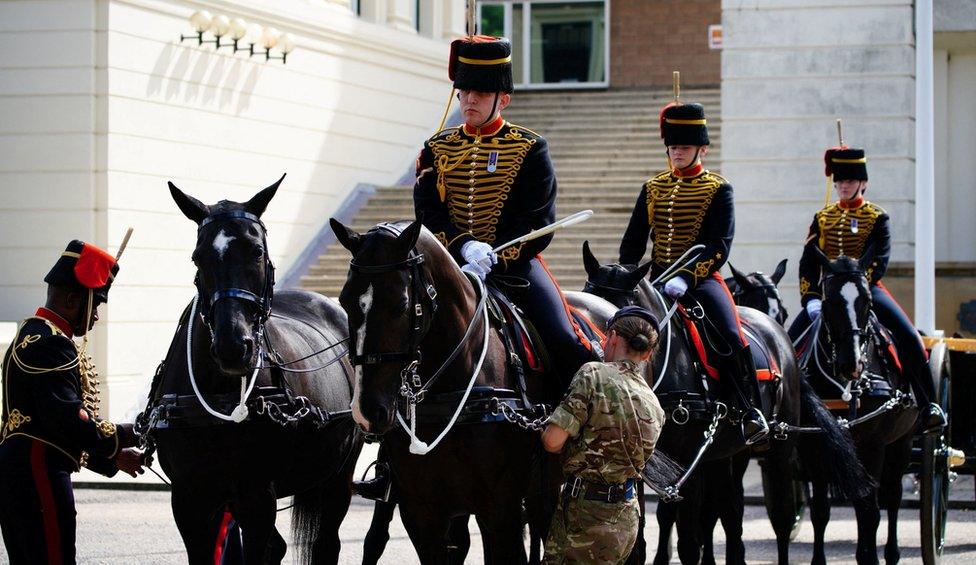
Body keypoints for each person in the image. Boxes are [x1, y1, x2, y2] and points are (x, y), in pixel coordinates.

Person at [354, 35, 598, 500]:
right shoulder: (435, 149)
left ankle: (575, 447)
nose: (469, 101)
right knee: (395, 339)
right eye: (464, 93)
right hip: (446, 268)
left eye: (480, 94)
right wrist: (462, 247)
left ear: (501, 98)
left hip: (514, 268)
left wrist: (498, 253)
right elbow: (426, 212)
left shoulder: (530, 148)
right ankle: (391, 459)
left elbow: (539, 223)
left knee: (566, 341)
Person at [618, 98, 769, 444]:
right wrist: (628, 276)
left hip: (700, 281)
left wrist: (686, 276)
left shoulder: (718, 188)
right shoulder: (653, 188)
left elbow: (719, 245)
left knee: (732, 334)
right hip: (655, 282)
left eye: (684, 147)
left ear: (702, 148)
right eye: (672, 147)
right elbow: (633, 244)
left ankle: (749, 409)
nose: (677, 153)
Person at [0, 240, 144, 564]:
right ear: (69, 300)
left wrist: (112, 458)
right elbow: (68, 420)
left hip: (25, 468)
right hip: (39, 470)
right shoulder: (51, 344)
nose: (94, 317)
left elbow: (51, 428)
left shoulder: (33, 334)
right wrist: (130, 432)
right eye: (94, 306)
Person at [788, 146, 947, 432]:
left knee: (909, 336)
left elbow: (880, 260)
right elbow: (808, 263)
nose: (844, 186)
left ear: (863, 183)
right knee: (787, 342)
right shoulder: (822, 218)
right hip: (829, 295)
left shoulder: (877, 217)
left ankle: (927, 404)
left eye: (850, 181)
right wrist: (811, 297)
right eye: (840, 181)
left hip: (866, 290)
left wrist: (858, 285)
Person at [541, 306, 665, 564]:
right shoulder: (654, 403)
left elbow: (552, 442)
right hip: (627, 517)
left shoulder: (593, 374)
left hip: (585, 513)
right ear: (648, 353)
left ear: (613, 337)